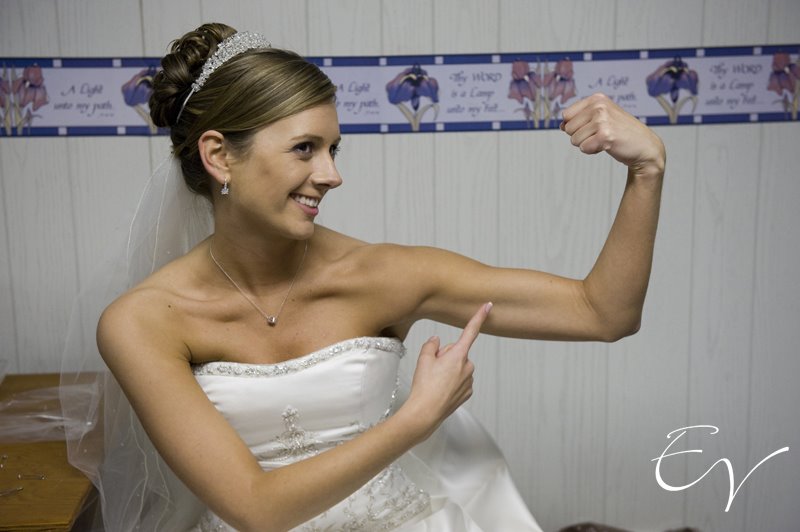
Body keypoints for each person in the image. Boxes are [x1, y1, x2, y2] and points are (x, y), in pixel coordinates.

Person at [63, 22, 665, 532]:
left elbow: (603, 313)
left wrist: (646, 171)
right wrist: (415, 419)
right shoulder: (143, 322)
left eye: (334, 149)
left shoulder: (384, 275)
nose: (331, 175)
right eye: (305, 148)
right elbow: (255, 509)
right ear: (219, 156)